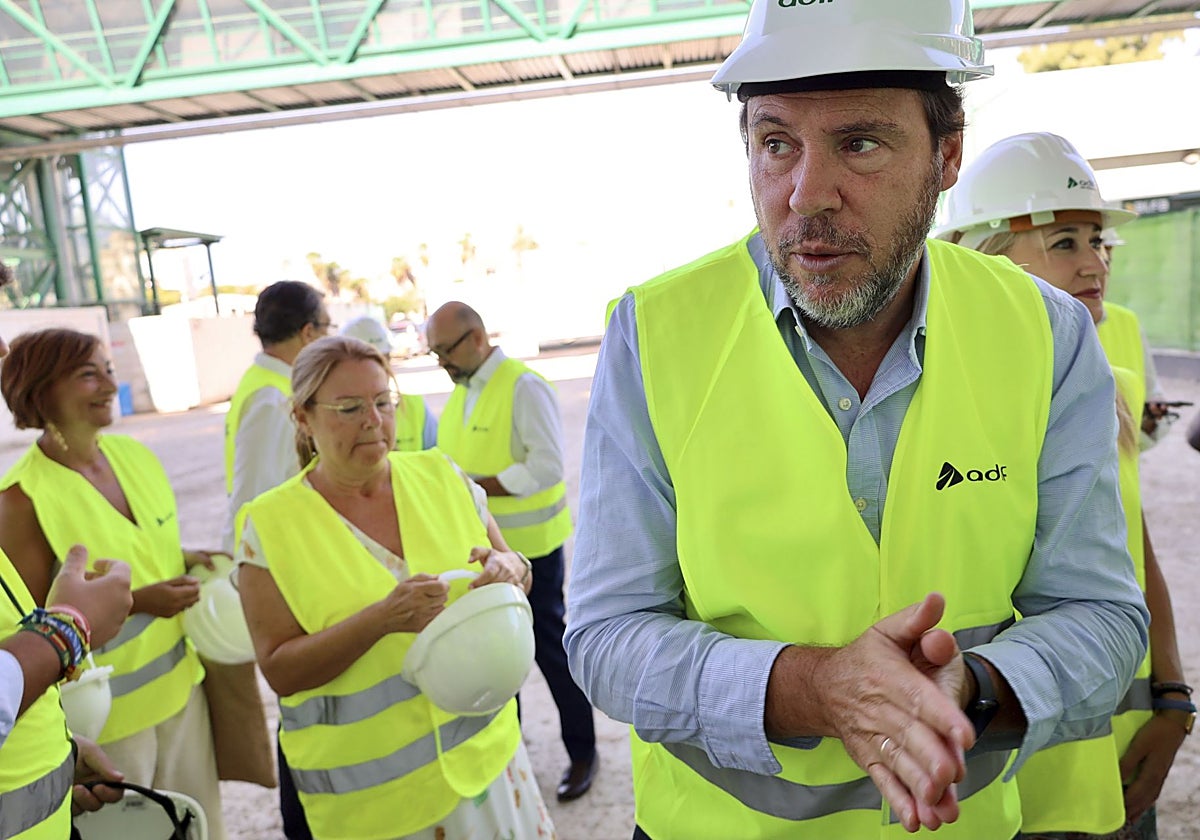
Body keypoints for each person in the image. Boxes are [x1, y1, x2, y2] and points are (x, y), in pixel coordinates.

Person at [563, 2, 1149, 837]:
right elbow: (606, 637)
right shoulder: (655, 334)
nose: (806, 193)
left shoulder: (1044, 335)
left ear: (946, 157)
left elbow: (1102, 614)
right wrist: (815, 687)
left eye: (859, 143)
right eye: (776, 143)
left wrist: (971, 687)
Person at [934, 131, 1193, 840]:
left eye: (1099, 243)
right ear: (984, 255)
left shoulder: (1113, 344)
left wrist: (1171, 700)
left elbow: (1132, 544)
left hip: (1115, 733)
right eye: (1066, 243)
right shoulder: (933, 385)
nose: (1095, 265)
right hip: (999, 758)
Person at [235, 335, 554, 839]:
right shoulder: (269, 526)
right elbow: (279, 669)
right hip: (377, 804)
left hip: (488, 768)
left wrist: (512, 569)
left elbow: (517, 569)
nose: (373, 420)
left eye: (384, 402)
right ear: (302, 417)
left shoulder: (442, 475)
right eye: (349, 407)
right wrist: (380, 620)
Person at [0, 328, 227, 840]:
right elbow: (33, 624)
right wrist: (141, 601)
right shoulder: (20, 500)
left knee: (199, 827)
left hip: (181, 692)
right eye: (88, 374)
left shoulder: (134, 456)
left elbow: (137, 545)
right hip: (108, 727)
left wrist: (183, 557)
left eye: (108, 368)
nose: (109, 383)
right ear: (40, 391)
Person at [426, 301, 599, 801]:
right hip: (483, 558)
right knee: (492, 658)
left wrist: (475, 489)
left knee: (550, 654)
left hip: (532, 555)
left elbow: (545, 467)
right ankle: (510, 759)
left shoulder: (523, 386)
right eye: (434, 352)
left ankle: (583, 752)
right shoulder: (462, 393)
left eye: (446, 350)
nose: (441, 361)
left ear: (477, 338)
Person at [221, 279, 330, 840]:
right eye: (326, 327)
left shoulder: (269, 383)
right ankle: (302, 825)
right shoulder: (270, 396)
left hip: (298, 569)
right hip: (289, 579)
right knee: (306, 706)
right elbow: (255, 505)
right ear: (308, 331)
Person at [1095, 228, 1174, 450]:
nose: (1099, 270)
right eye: (1066, 246)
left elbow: (1151, 410)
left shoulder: (1126, 322)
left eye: (1107, 260)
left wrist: (1150, 420)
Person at [340, 315, 438, 452]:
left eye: (383, 361)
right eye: (367, 365)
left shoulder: (413, 407)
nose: (379, 372)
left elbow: (436, 462)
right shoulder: (335, 413)